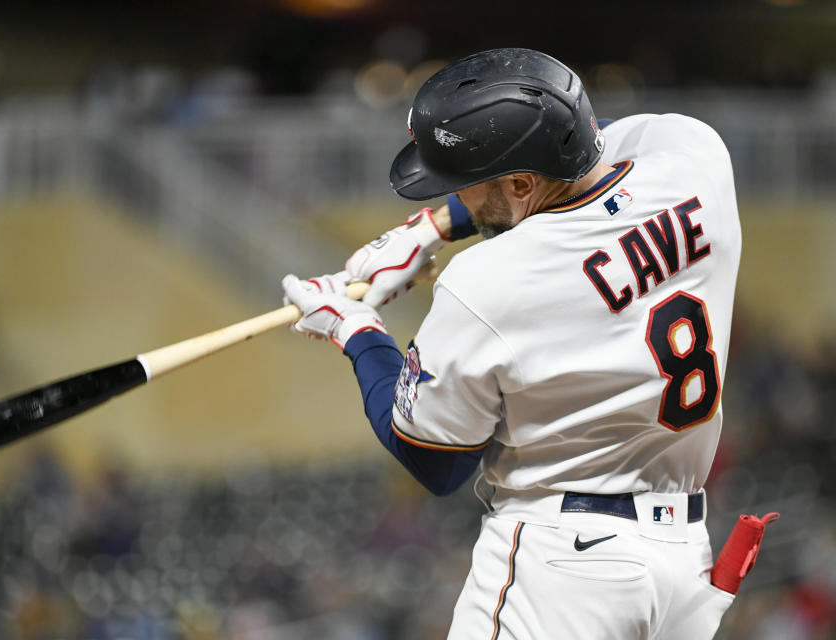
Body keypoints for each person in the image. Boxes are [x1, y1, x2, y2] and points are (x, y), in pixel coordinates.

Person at [281, 48, 741, 639]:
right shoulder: (694, 154)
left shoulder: (490, 282)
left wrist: (355, 329)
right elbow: (593, 153)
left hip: (564, 571)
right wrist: (431, 225)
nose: (459, 195)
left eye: (466, 184)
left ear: (522, 183)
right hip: (686, 563)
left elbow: (434, 461)